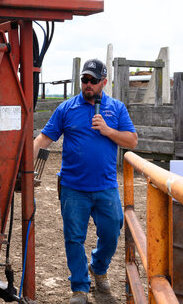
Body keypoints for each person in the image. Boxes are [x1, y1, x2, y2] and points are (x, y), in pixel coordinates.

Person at [33, 59, 137, 304]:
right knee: (73, 238)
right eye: (84, 79)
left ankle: (98, 267)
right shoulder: (66, 109)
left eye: (92, 80)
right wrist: (23, 164)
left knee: (112, 232)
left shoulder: (116, 108)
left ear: (104, 82)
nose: (87, 84)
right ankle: (80, 288)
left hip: (106, 186)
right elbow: (42, 140)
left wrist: (108, 130)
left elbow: (132, 141)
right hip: (73, 187)